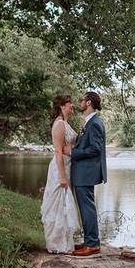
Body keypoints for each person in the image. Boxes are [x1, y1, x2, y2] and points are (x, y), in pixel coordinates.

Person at [40, 95, 81, 254]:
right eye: (70, 104)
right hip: (60, 167)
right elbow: (58, 151)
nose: (73, 106)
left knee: (65, 204)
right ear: (62, 106)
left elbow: (68, 146)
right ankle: (57, 244)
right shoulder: (59, 124)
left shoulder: (65, 123)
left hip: (68, 165)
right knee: (58, 203)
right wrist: (62, 176)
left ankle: (65, 242)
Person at [70, 91, 107, 256]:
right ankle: (89, 241)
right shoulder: (89, 122)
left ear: (89, 102)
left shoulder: (95, 123)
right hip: (82, 171)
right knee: (85, 207)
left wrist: (73, 152)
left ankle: (92, 244)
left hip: (86, 172)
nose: (80, 103)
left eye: (82, 100)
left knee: (87, 208)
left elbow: (95, 149)